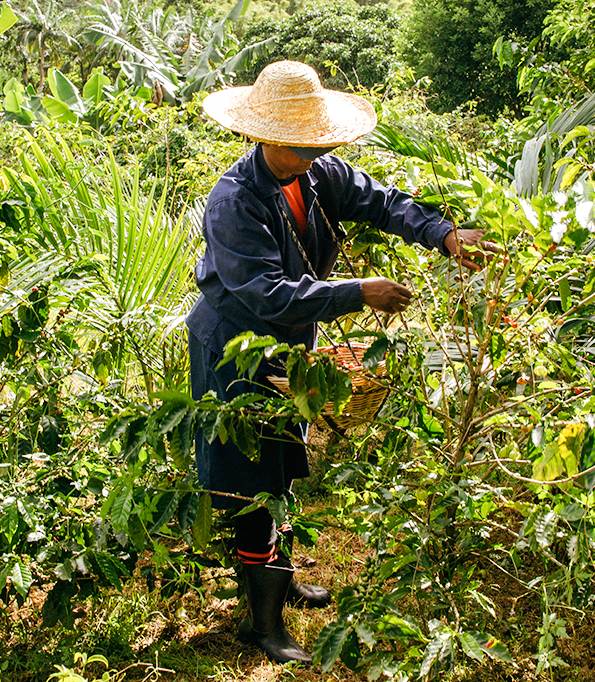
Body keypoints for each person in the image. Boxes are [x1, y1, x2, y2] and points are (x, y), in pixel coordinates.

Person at [189, 60, 492, 664]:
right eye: (299, 142)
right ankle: (261, 625)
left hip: (289, 344)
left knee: (282, 460)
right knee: (250, 477)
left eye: (316, 141)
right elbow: (265, 293)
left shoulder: (320, 174)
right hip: (235, 349)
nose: (310, 151)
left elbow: (384, 204)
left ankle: (282, 579)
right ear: (263, 134)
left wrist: (444, 235)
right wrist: (360, 291)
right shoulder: (234, 201)